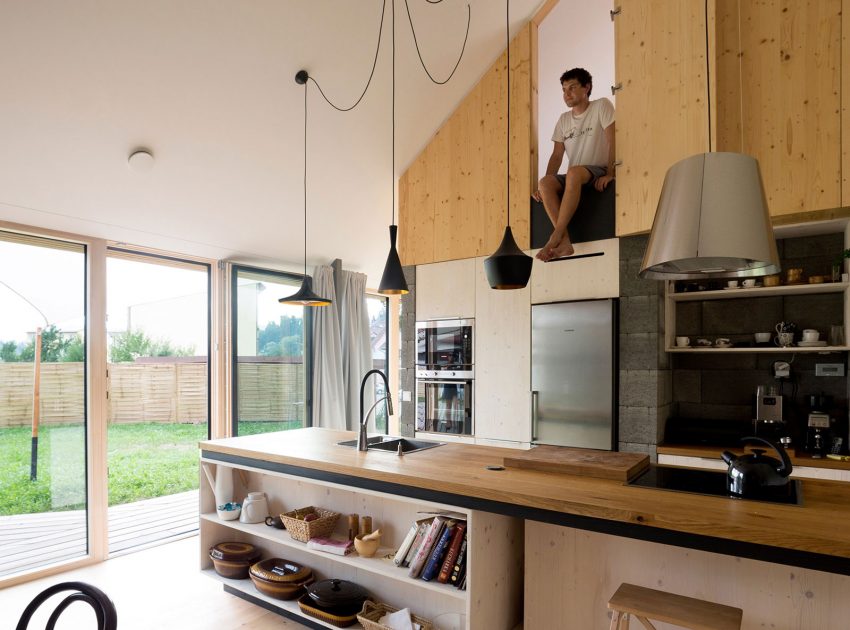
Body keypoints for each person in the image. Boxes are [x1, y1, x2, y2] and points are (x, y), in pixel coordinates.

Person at [533, 68, 615, 261]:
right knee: (545, 183)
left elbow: (613, 140)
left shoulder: (601, 105)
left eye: (572, 87)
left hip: (597, 169)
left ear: (586, 87)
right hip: (575, 175)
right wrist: (541, 186)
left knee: (574, 173)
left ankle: (555, 236)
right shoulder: (563, 120)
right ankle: (565, 242)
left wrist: (610, 173)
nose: (566, 94)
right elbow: (556, 156)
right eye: (563, 89)